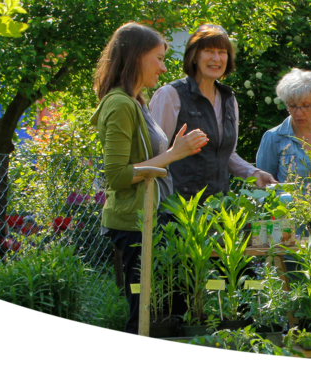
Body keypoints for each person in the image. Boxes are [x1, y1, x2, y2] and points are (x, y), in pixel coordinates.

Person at [90, 22, 208, 334]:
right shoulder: (119, 104)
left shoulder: (137, 102)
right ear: (136, 57)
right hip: (131, 224)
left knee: (153, 308)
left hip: (148, 218)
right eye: (158, 58)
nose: (163, 66)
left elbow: (141, 160)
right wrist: (173, 154)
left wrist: (174, 150)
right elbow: (115, 176)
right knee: (140, 310)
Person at [149, 24, 276, 203]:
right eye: (208, 50)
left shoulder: (229, 99)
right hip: (178, 209)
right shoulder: (171, 95)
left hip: (217, 207)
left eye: (222, 52)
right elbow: (155, 156)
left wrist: (254, 173)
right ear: (194, 56)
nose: (216, 58)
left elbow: (227, 154)